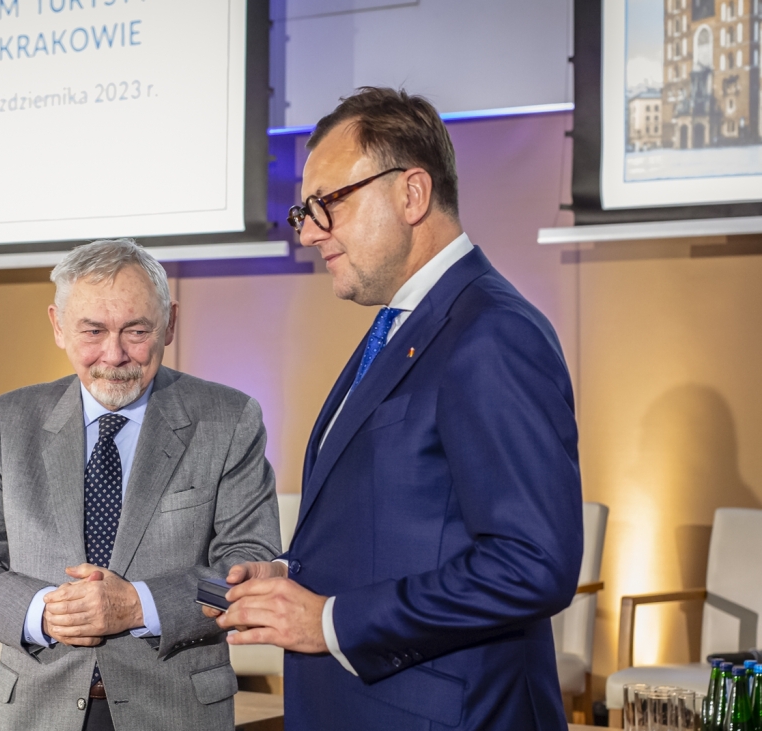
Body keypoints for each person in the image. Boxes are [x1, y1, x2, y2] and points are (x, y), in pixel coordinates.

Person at [208, 88, 583, 730]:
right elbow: (409, 522)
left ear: (412, 194)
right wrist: (294, 575)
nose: (309, 232)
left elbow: (532, 564)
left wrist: (331, 620)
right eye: (304, 212)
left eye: (327, 204)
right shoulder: (402, 322)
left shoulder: (493, 332)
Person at [0, 238, 281, 731]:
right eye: (93, 331)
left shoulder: (228, 419)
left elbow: (251, 567)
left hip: (176, 711)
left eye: (136, 331)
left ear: (170, 324)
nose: (114, 355)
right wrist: (42, 613)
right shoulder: (10, 420)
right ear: (58, 326)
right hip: (37, 709)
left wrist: (139, 605)